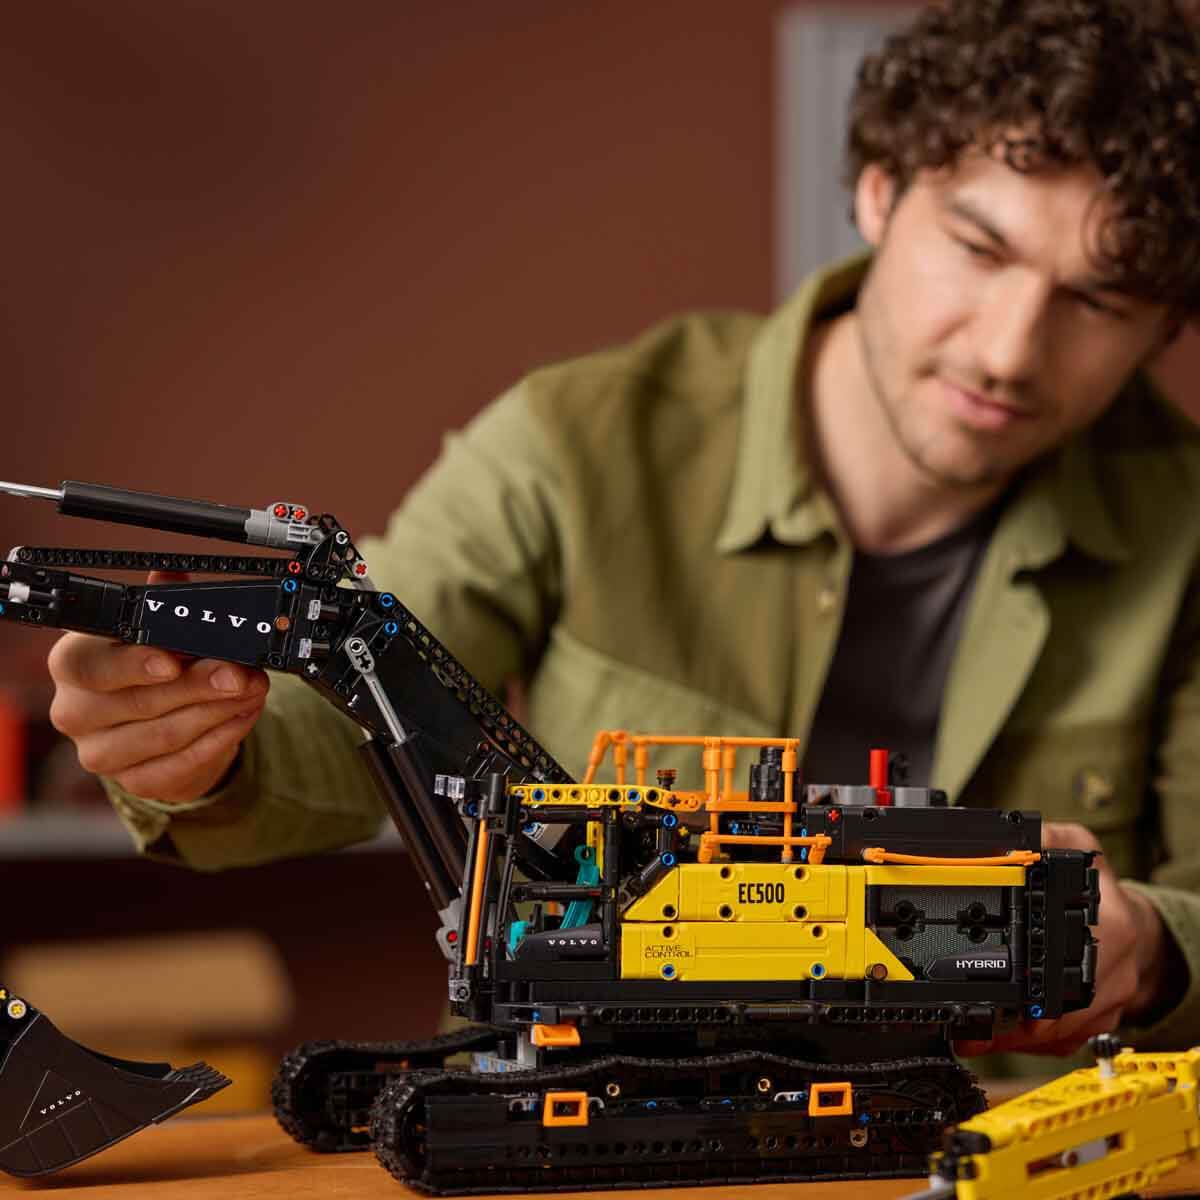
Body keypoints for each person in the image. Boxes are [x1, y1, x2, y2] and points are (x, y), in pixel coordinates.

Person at [43, 0, 1200, 1058]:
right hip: (596, 1104)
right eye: (980, 249)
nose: (1009, 350)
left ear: (1162, 332)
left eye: (1097, 300)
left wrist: (1153, 945)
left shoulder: (1186, 527)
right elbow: (340, 715)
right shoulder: (574, 444)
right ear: (879, 193)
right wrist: (185, 734)